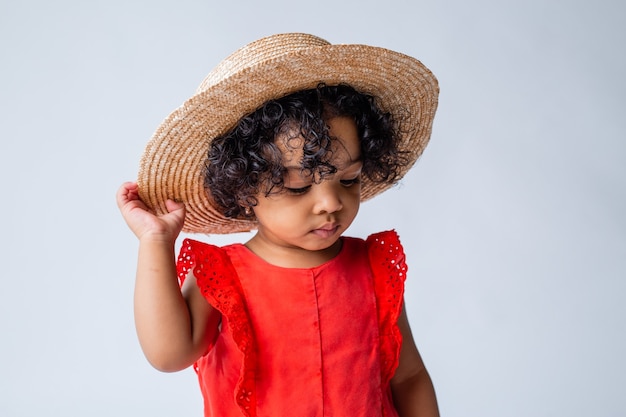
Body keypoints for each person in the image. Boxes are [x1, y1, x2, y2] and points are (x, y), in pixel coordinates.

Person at [117, 33, 440, 417]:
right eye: (298, 186)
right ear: (242, 186)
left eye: (349, 179)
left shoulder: (373, 269)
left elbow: (408, 377)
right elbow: (169, 354)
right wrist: (154, 240)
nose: (331, 202)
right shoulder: (223, 277)